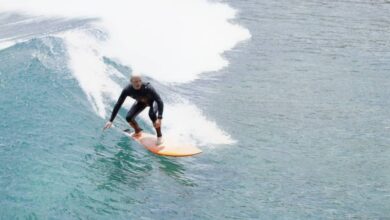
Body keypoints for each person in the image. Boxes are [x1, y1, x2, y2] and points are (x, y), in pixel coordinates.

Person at [103, 74, 164, 145]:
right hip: (141, 102)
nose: (138, 83)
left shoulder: (148, 87)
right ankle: (138, 131)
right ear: (131, 82)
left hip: (153, 101)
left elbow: (159, 101)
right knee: (129, 117)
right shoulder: (127, 90)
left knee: (152, 114)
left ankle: (159, 136)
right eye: (135, 82)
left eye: (139, 81)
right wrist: (110, 121)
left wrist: (159, 118)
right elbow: (118, 104)